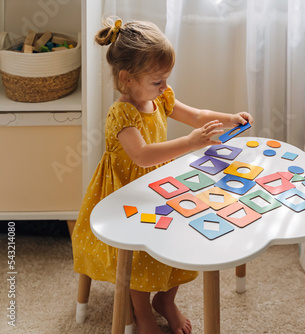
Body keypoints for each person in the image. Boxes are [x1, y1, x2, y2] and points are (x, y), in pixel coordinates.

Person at [71, 18, 253, 334]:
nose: (165, 87)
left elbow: (196, 115)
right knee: (139, 255)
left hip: (158, 185)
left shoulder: (160, 97)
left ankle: (165, 301)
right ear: (127, 79)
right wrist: (190, 142)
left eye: (166, 79)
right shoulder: (122, 114)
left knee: (187, 234)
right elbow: (141, 156)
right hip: (125, 193)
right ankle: (142, 314)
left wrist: (229, 117)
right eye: (158, 81)